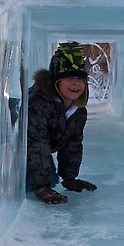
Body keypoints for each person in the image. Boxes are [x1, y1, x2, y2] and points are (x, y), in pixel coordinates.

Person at [26, 41, 97, 204]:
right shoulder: (38, 104)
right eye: (69, 78)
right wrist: (42, 187)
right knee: (37, 183)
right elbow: (36, 145)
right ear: (56, 82)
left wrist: (69, 177)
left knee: (51, 176)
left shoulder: (78, 111)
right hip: (16, 154)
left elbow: (72, 145)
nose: (75, 83)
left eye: (80, 79)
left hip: (37, 153)